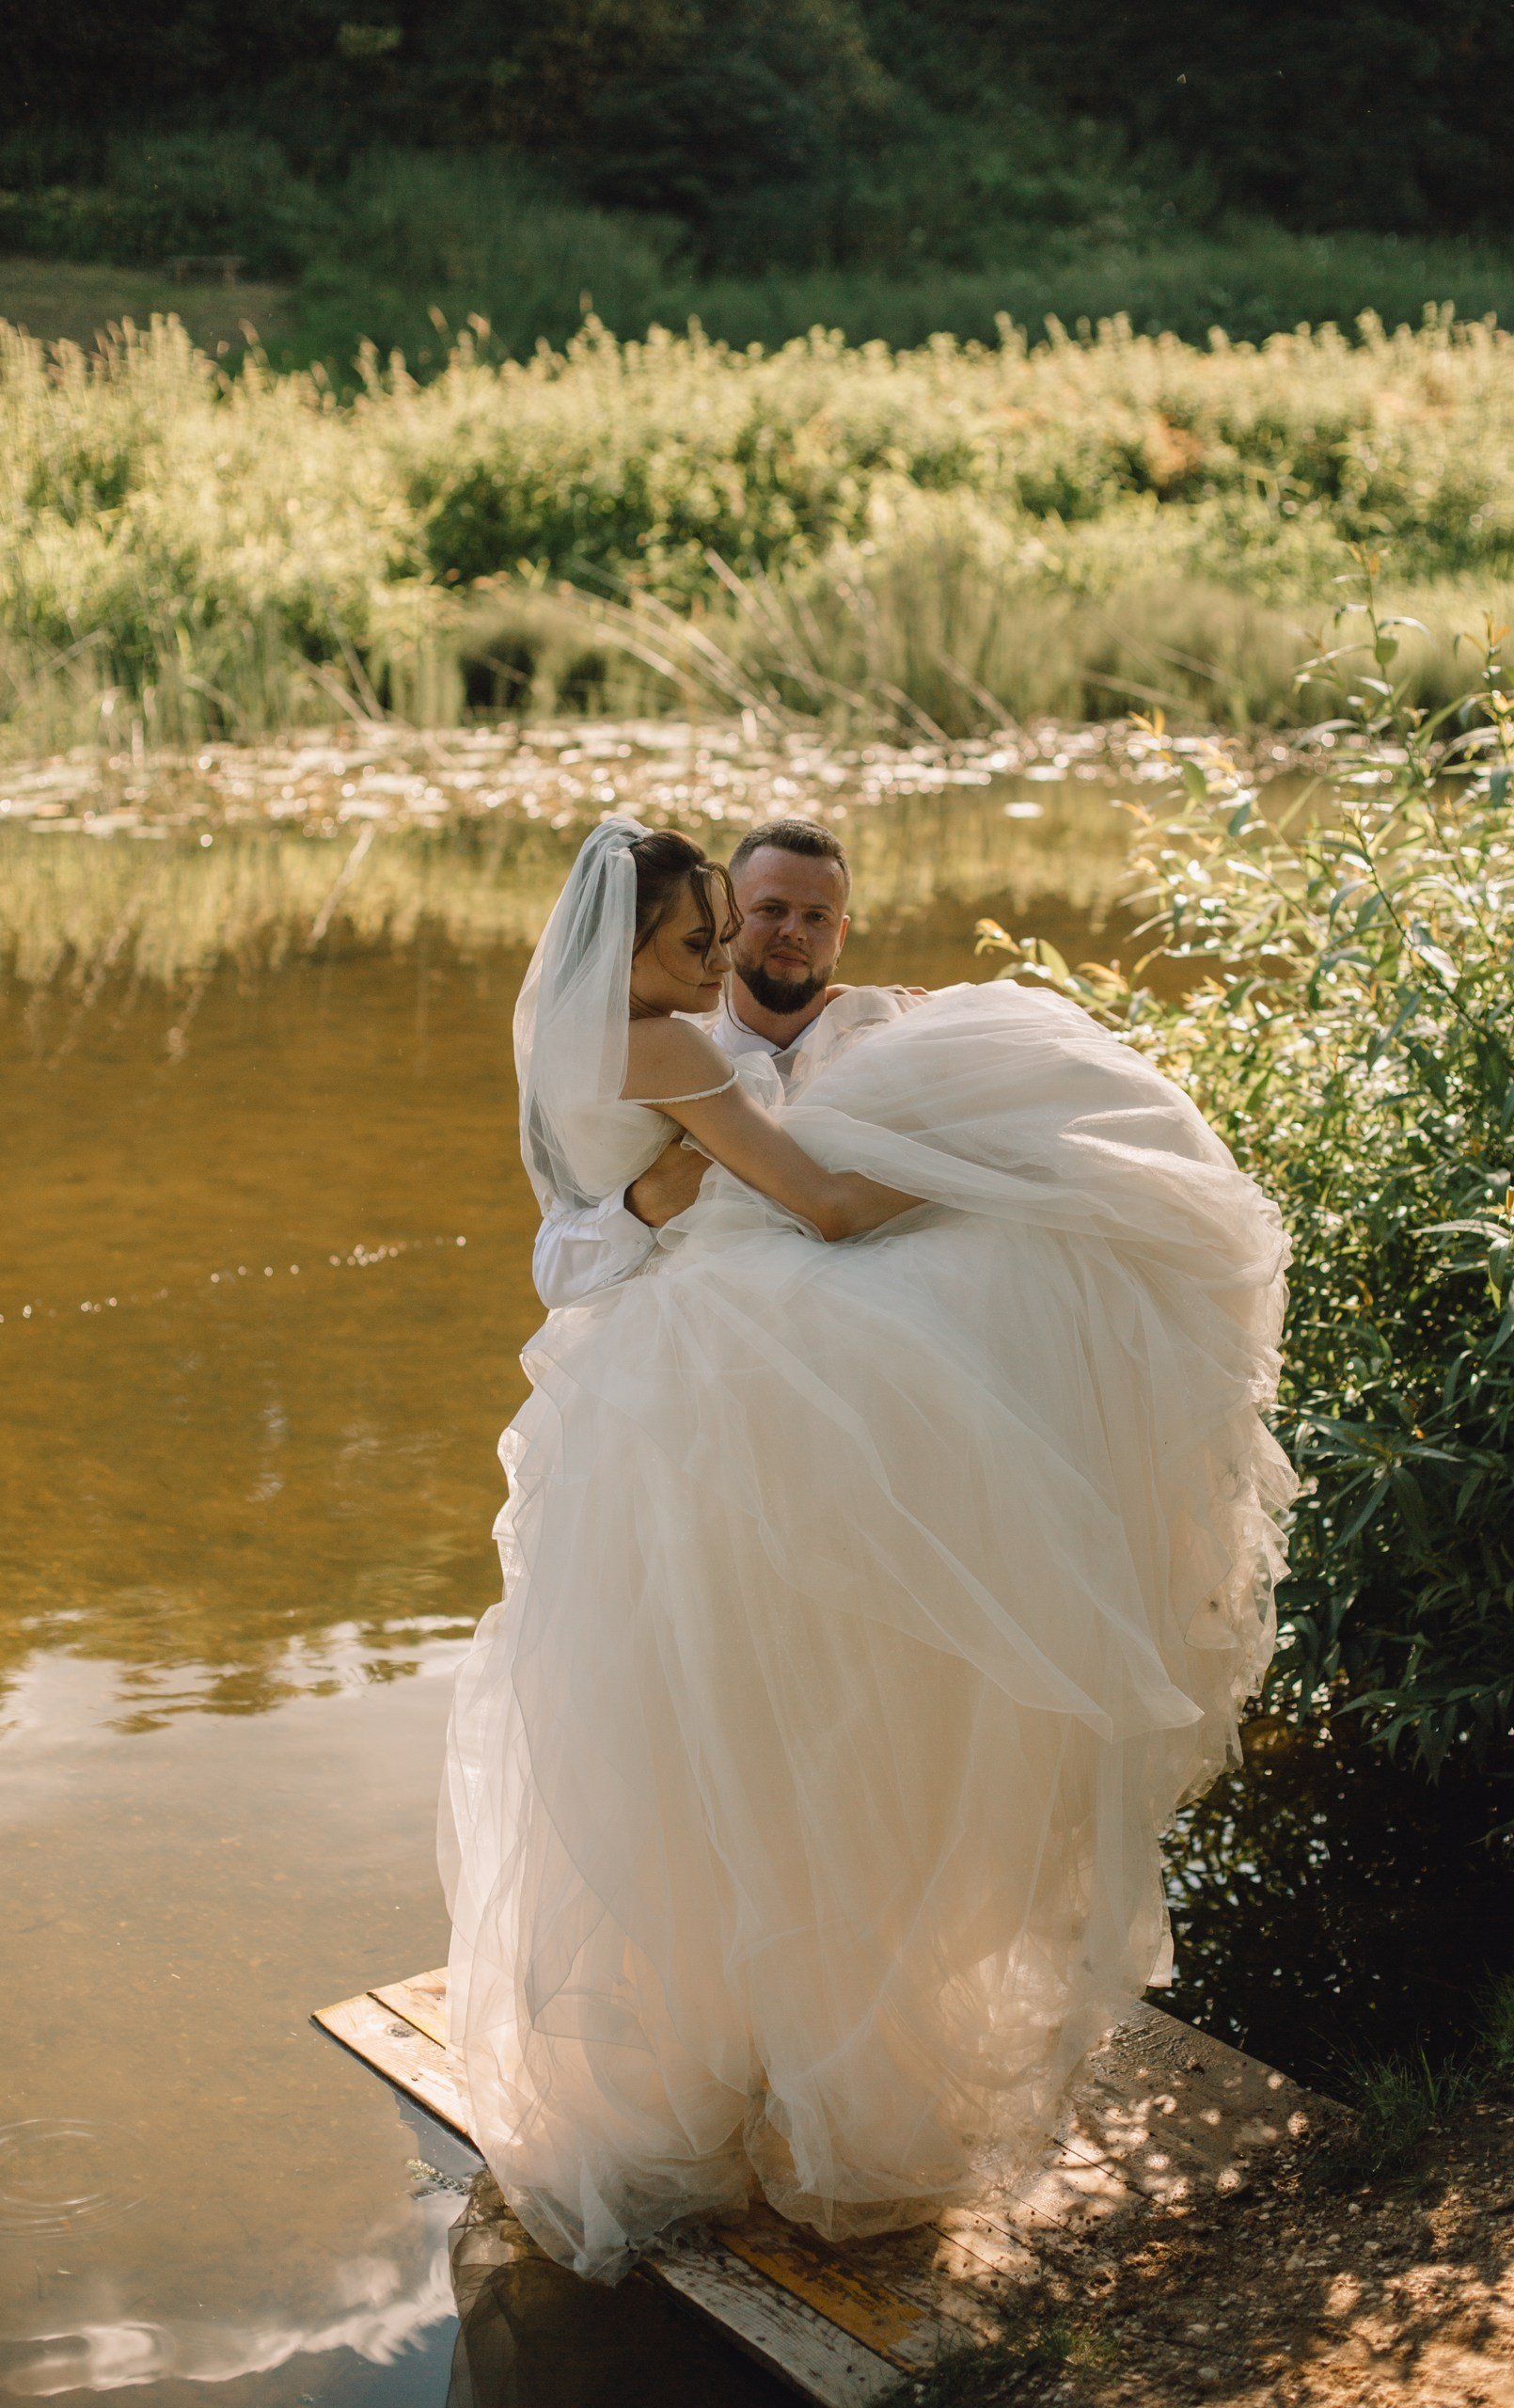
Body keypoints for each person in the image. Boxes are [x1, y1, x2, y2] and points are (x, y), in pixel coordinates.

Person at [440, 816, 1294, 2283]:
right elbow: (797, 1209)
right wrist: (1005, 1180)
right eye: (714, 931)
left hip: (670, 1427)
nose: (738, 951)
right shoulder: (673, 1041)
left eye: (778, 922)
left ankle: (737, 2077)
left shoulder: (608, 1035)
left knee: (739, 1752)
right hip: (698, 1416)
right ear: (639, 941)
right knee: (724, 1742)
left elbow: (703, 1187)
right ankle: (795, 2085)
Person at [531, 816, 920, 1307]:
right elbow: (554, 1276)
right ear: (729, 915)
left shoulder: (898, 1038)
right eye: (771, 909)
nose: (794, 932)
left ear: (841, 935)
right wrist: (641, 1207)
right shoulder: (672, 1052)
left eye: (817, 917)